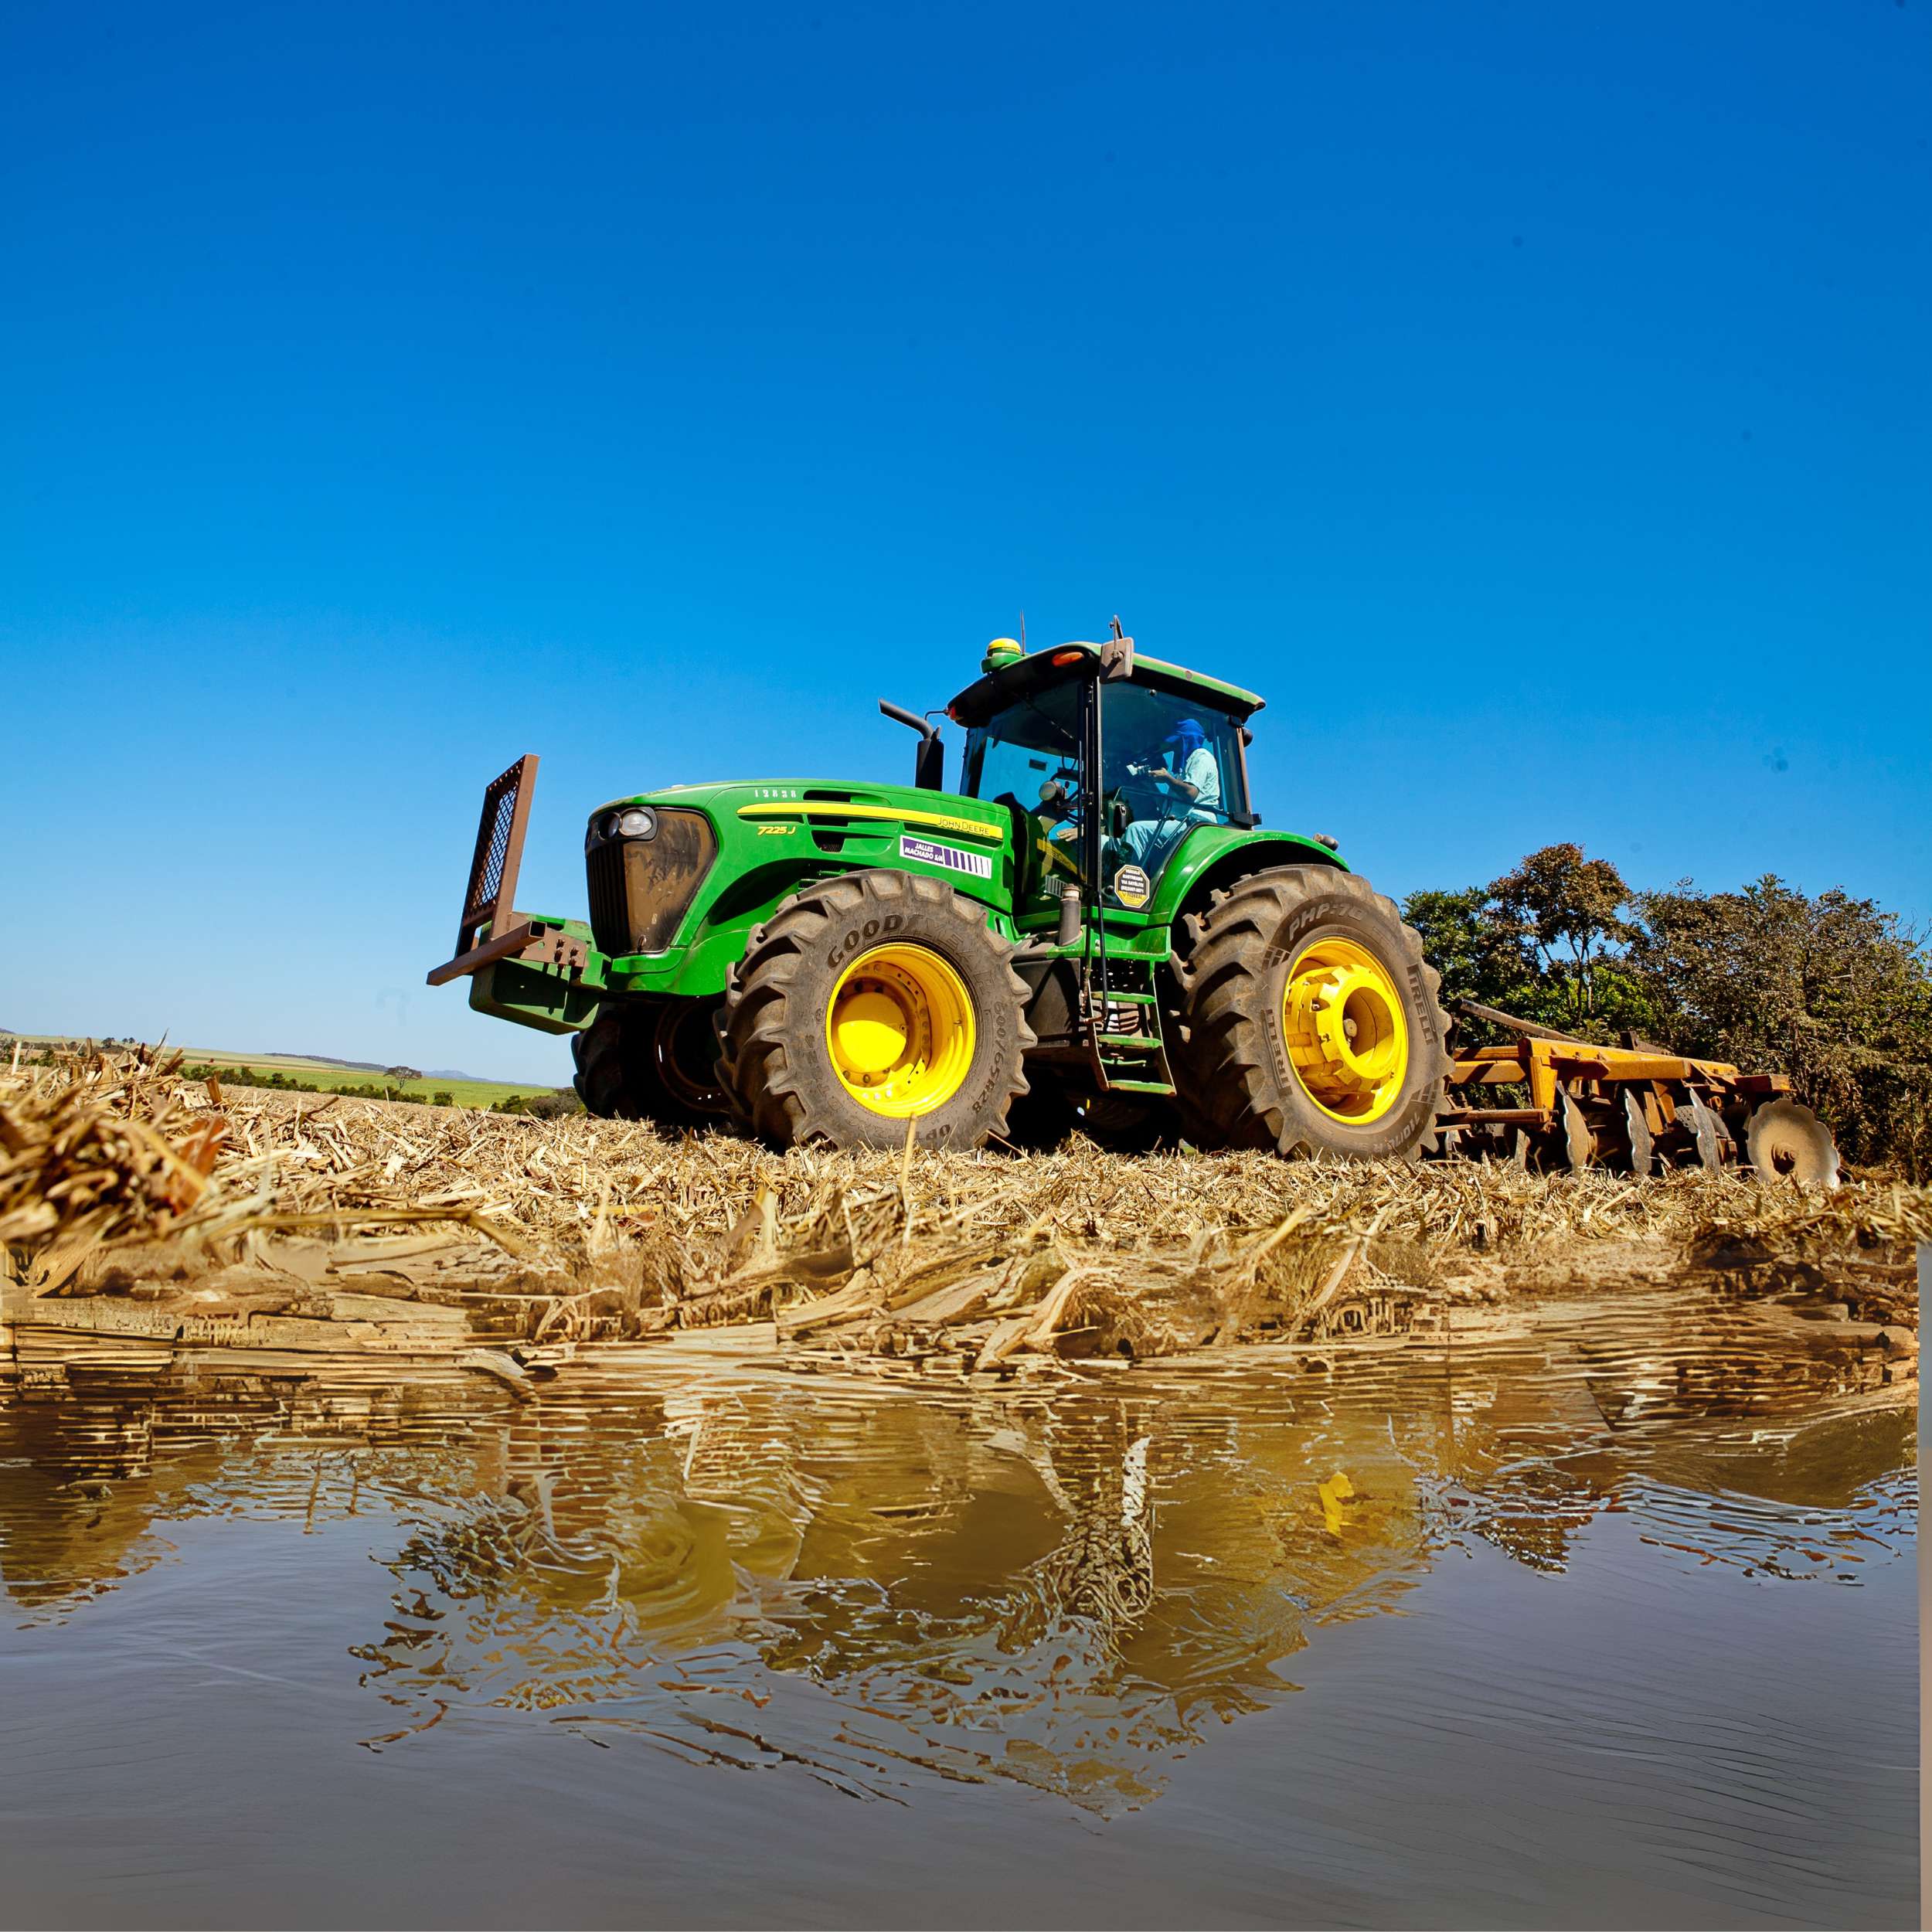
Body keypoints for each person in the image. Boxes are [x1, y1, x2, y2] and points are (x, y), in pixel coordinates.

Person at [1119, 717, 1222, 872]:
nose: (1175, 747)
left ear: (1188, 739)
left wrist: (1167, 778)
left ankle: (1131, 889)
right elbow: (1167, 807)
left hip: (1194, 824)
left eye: (1178, 742)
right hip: (1179, 822)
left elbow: (1191, 794)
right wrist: (1150, 784)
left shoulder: (1201, 756)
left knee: (1136, 830)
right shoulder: (1184, 771)